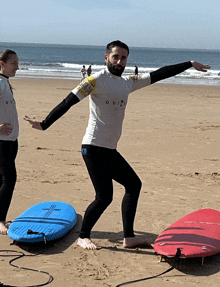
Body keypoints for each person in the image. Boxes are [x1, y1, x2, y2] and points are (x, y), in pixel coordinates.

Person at [24, 40, 210, 250]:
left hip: (109, 150)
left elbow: (159, 74)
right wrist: (44, 124)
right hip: (93, 147)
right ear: (106, 58)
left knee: (133, 185)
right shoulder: (95, 81)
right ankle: (83, 236)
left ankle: (128, 237)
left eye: (123, 58)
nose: (119, 61)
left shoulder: (127, 83)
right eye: (115, 57)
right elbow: (69, 101)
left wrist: (189, 63)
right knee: (104, 196)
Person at [0, 49, 19, 235]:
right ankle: (0, 220)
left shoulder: (5, 83)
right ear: (2, 63)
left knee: (1, 179)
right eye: (13, 63)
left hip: (10, 141)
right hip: (2, 143)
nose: (17, 67)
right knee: (9, 179)